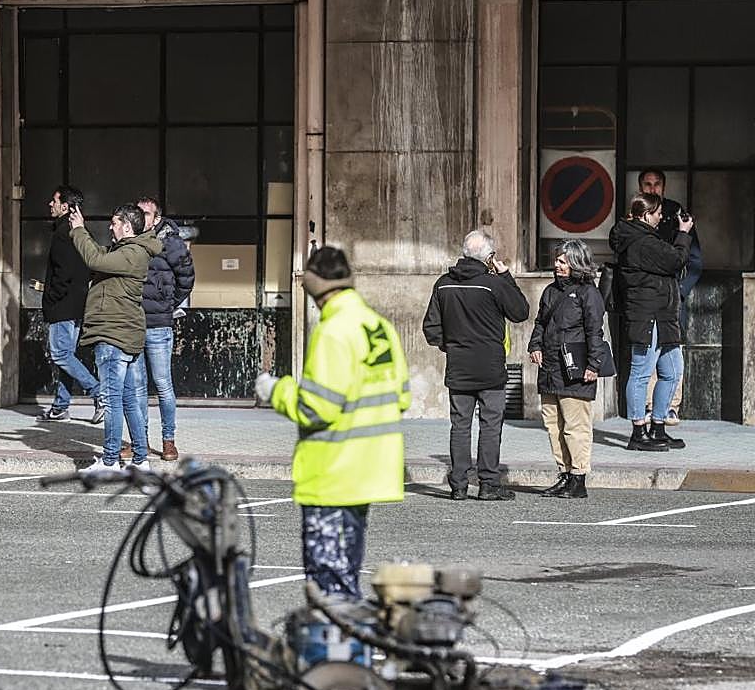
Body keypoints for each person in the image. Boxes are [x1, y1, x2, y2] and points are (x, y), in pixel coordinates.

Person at [254, 246, 410, 599]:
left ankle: (337, 650)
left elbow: (316, 409)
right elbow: (401, 396)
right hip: (370, 468)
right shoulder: (378, 325)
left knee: (329, 582)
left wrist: (277, 390)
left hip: (334, 471)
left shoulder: (333, 331)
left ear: (313, 287)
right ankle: (349, 647)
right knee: (347, 567)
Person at [423, 230, 530, 501]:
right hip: (490, 367)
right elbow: (520, 312)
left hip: (458, 366)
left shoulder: (443, 284)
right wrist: (506, 276)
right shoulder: (492, 284)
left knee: (460, 425)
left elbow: (431, 328)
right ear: (489, 257)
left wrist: (450, 345)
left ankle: (458, 484)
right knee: (491, 424)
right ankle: (488, 483)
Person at [69, 202, 161, 473]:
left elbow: (95, 260)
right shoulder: (127, 251)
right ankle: (140, 460)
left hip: (114, 335)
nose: (111, 226)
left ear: (128, 226)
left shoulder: (132, 253)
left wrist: (78, 231)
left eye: (114, 222)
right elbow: (100, 255)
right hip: (123, 334)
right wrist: (80, 231)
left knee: (112, 400)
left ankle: (110, 461)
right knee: (130, 400)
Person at [608, 192, 692, 452]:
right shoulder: (640, 241)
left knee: (672, 371)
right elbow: (676, 259)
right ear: (646, 215)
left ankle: (658, 427)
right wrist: (684, 232)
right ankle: (638, 433)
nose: (661, 218)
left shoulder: (645, 238)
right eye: (657, 214)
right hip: (647, 316)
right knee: (641, 373)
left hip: (663, 315)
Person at [527, 239, 610, 499]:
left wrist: (594, 364)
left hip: (575, 367)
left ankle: (578, 477)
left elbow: (595, 331)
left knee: (576, 426)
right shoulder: (550, 291)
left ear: (576, 263)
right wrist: (534, 345)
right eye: (557, 260)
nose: (557, 265)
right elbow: (540, 322)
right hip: (550, 367)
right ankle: (564, 473)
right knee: (553, 424)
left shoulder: (588, 293)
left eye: (563, 261)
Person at [127, 194, 195, 461]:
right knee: (136, 387)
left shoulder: (170, 241)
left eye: (146, 213)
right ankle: (139, 442)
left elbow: (187, 277)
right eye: (138, 212)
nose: (142, 217)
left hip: (158, 325)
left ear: (156, 218)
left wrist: (168, 303)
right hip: (132, 323)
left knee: (163, 384)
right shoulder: (128, 239)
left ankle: (168, 440)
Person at [638, 169, 703, 427]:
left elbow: (695, 260)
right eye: (647, 184)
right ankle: (649, 405)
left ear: (664, 187)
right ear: (640, 186)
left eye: (657, 184)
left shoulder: (677, 213)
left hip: (673, 295)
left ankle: (671, 407)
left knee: (672, 347)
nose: (652, 189)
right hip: (645, 296)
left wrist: (681, 290)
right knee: (646, 347)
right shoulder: (635, 214)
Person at [36, 185, 104, 425]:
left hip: (63, 305)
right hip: (75, 304)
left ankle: (98, 393)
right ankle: (60, 406)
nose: (50, 205)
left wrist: (52, 297)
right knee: (66, 355)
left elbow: (63, 272)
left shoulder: (64, 232)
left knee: (61, 354)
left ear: (65, 206)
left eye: (54, 201)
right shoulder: (78, 231)